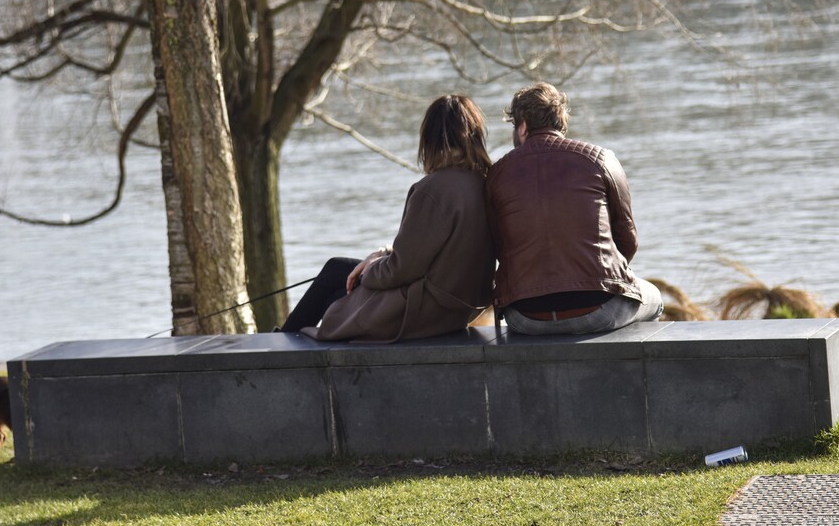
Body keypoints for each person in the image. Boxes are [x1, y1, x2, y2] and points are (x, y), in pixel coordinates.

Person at [278, 95, 496, 342]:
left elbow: (401, 270)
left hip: (427, 311)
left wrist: (370, 270)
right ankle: (282, 342)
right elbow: (441, 252)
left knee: (337, 289)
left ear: (430, 138)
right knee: (337, 272)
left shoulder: (433, 190)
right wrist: (382, 255)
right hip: (459, 308)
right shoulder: (485, 183)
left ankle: (279, 346)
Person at [485, 82, 663, 335]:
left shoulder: (497, 174)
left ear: (522, 125)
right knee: (654, 298)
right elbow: (627, 240)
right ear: (561, 121)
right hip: (600, 309)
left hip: (525, 316)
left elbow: (499, 248)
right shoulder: (600, 159)